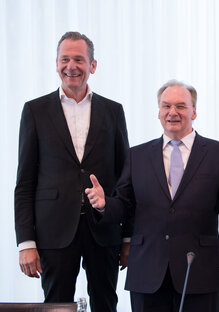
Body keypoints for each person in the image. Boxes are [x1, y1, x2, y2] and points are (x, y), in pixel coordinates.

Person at [85, 80, 219, 312]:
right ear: (159, 113)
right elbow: (123, 204)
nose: (173, 112)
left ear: (194, 112)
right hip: (147, 272)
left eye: (181, 106)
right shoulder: (137, 155)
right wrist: (103, 205)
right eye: (166, 106)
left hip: (197, 271)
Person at [14, 31, 129, 311]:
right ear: (56, 64)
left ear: (93, 65)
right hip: (53, 231)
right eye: (65, 59)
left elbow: (125, 179)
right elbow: (25, 183)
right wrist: (25, 242)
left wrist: (128, 237)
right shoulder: (34, 111)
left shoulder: (114, 111)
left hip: (104, 230)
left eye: (79, 59)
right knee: (56, 306)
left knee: (106, 304)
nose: (71, 66)